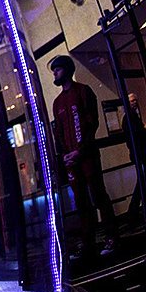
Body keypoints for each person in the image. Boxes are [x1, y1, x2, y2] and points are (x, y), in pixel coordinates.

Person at [49, 55, 116, 258]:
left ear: (67, 70)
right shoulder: (57, 102)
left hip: (87, 156)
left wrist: (80, 150)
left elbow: (91, 123)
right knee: (81, 202)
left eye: (57, 70)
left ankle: (111, 238)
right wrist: (65, 156)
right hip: (72, 161)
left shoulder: (83, 92)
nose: (55, 73)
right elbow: (58, 133)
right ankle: (87, 243)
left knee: (98, 196)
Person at [122, 93, 146, 222]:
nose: (135, 103)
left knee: (141, 182)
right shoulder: (130, 118)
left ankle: (133, 212)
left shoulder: (130, 117)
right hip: (140, 153)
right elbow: (136, 136)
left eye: (135, 100)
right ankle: (133, 212)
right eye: (132, 101)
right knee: (141, 182)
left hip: (139, 154)